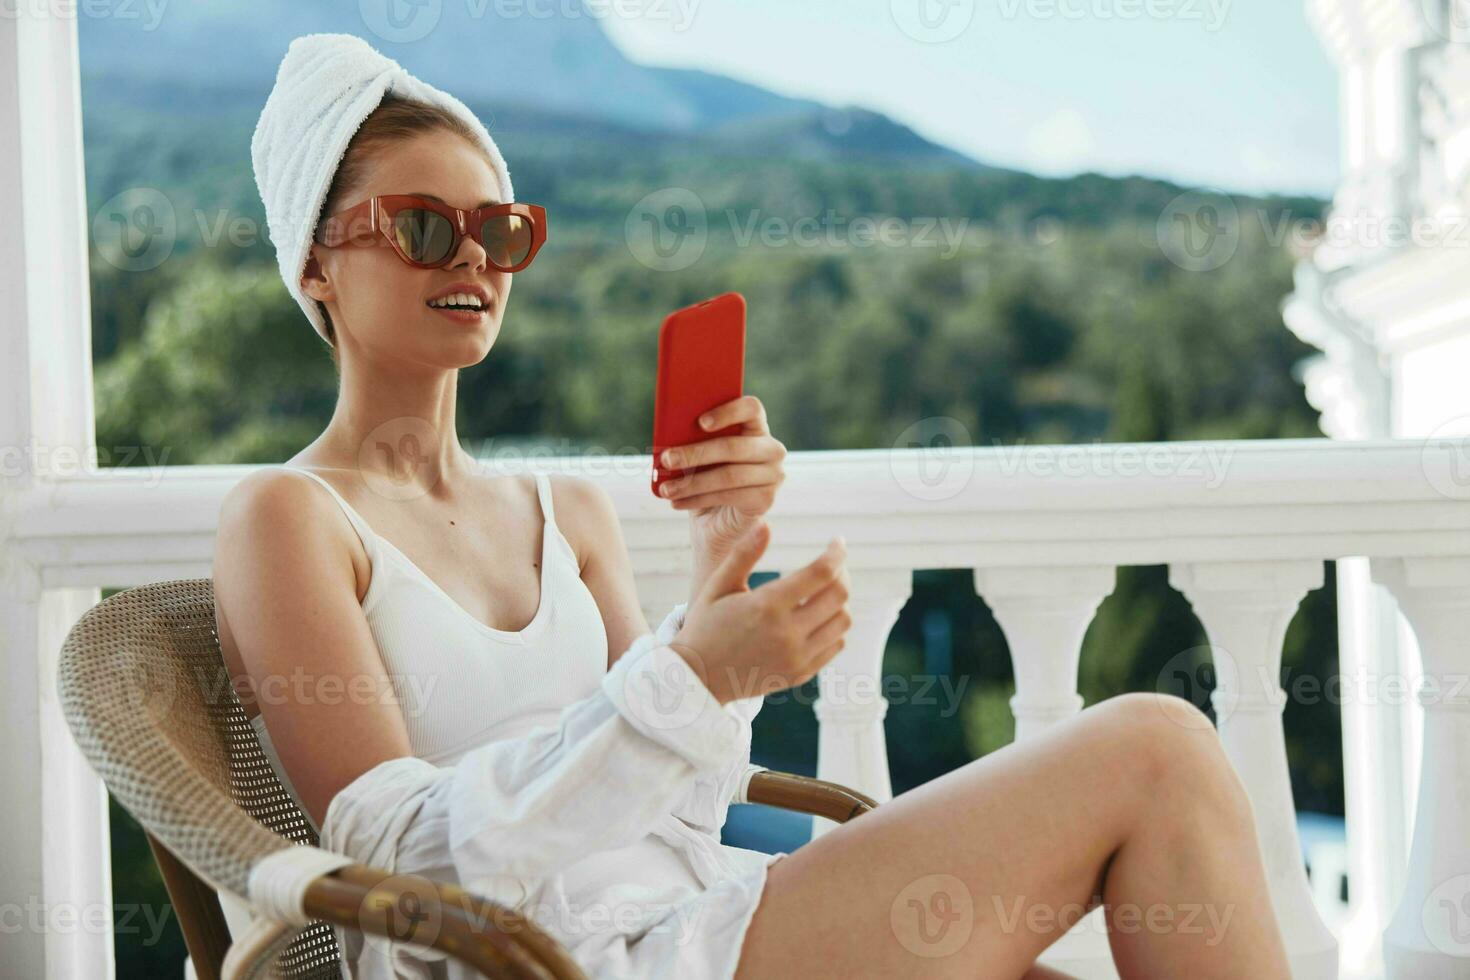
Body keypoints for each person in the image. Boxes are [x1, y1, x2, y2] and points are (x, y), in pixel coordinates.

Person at [215, 31, 1292, 980]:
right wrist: (689, 674)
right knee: (1156, 748)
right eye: (419, 227)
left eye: (499, 231)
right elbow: (397, 860)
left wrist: (717, 577)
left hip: (691, 914)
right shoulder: (290, 518)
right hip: (548, 957)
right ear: (315, 259)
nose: (473, 261)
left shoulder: (566, 512)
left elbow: (685, 797)